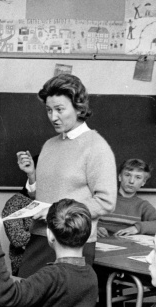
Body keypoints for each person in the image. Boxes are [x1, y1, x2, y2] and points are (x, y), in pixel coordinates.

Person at [16, 74, 116, 277]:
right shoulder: (49, 145)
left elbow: (106, 202)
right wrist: (32, 177)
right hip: (40, 237)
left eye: (60, 109)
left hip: (73, 245)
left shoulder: (96, 147)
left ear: (79, 108)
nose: (53, 117)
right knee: (25, 298)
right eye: (49, 110)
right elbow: (43, 197)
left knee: (57, 305)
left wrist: (56, 213)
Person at [97, 159, 156, 237]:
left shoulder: (142, 205)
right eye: (127, 175)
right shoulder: (103, 198)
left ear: (143, 182)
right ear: (120, 177)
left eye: (138, 177)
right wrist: (94, 228)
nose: (131, 181)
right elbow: (82, 218)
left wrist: (137, 228)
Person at [1, 190, 32, 275]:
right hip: (26, 265)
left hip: (54, 263)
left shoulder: (54, 199)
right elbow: (17, 239)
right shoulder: (14, 203)